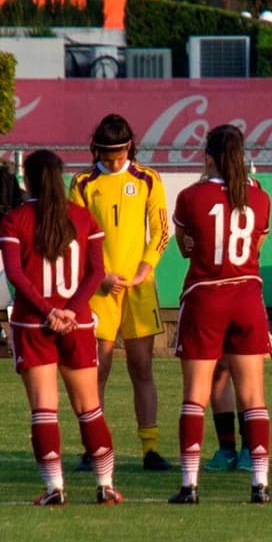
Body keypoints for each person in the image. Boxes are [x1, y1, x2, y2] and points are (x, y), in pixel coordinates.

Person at [0, 150, 122, 505]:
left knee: (44, 409)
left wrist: (49, 311)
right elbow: (96, 272)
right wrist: (71, 311)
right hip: (77, 324)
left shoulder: (16, 219)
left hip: (34, 324)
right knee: (90, 407)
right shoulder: (82, 218)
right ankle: (106, 484)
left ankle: (55, 488)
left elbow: (16, 274)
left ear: (29, 180)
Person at [169, 124, 272, 504]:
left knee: (195, 394)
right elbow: (257, 244)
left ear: (208, 156)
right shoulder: (259, 196)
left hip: (205, 296)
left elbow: (184, 247)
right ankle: (260, 484)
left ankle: (189, 485)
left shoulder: (190, 196)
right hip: (246, 295)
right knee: (253, 395)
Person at [69, 114, 173, 471]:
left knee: (141, 367)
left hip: (138, 289)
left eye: (119, 155)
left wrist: (144, 270)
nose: (113, 163)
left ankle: (150, 448)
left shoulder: (147, 179)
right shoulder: (82, 183)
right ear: (95, 149)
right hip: (99, 290)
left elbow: (161, 231)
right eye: (106, 156)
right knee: (97, 369)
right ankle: (93, 448)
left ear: (129, 146)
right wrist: (98, 277)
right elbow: (76, 238)